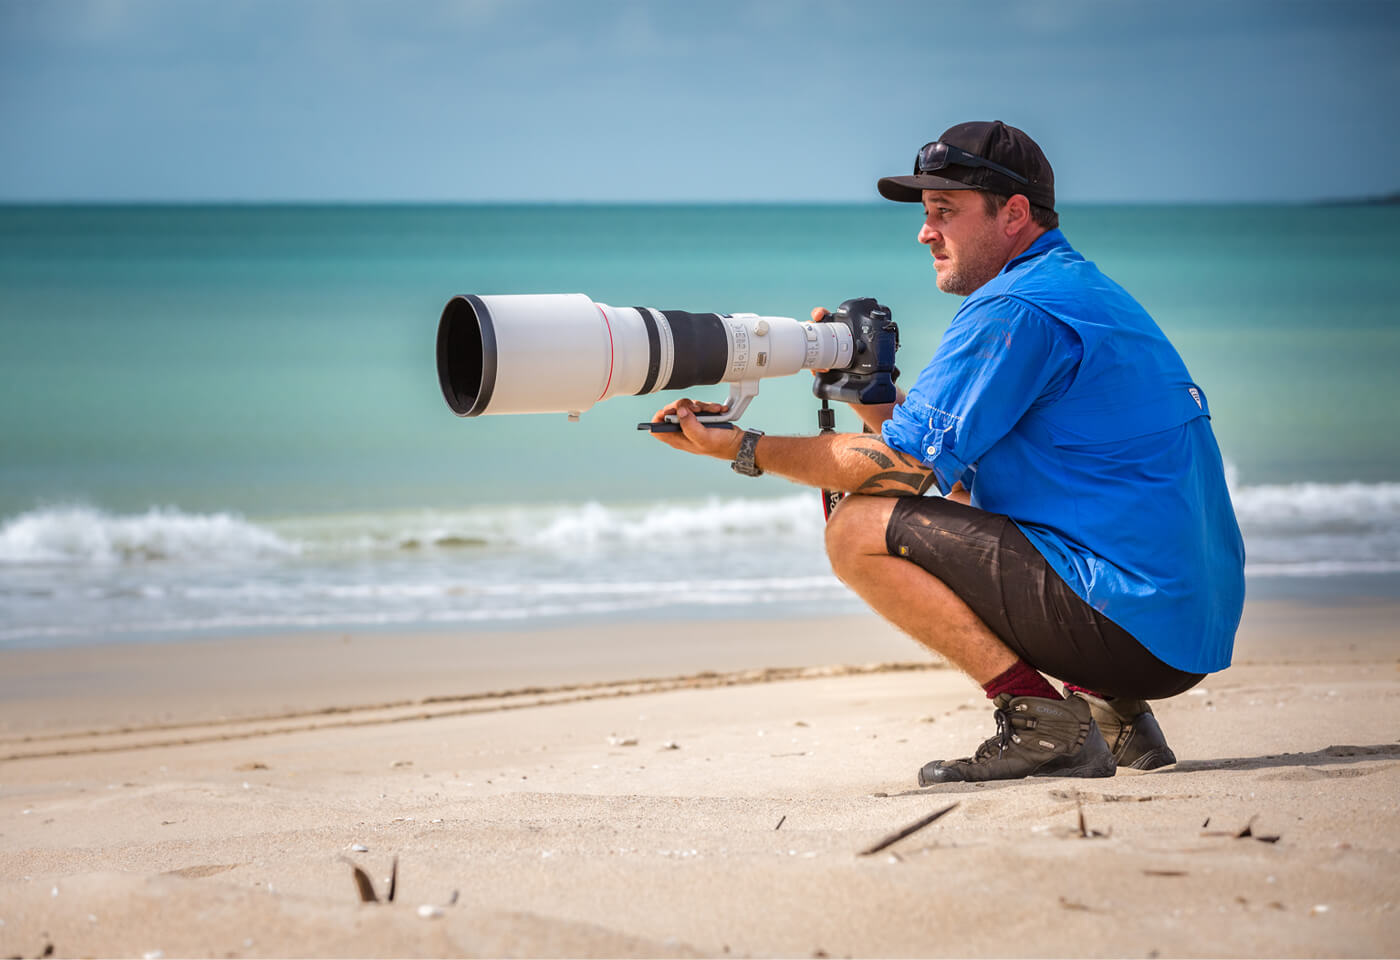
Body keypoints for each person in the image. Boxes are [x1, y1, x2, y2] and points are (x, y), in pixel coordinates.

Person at [651, 121, 1245, 784]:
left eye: (944, 212)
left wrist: (742, 447)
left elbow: (901, 470)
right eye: (925, 213)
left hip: (1129, 627)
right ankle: (1115, 716)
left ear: (1013, 214)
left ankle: (1045, 722)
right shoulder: (1077, 288)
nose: (924, 233)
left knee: (856, 530)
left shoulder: (1013, 308)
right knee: (963, 494)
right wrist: (867, 390)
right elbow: (934, 461)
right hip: (1184, 627)